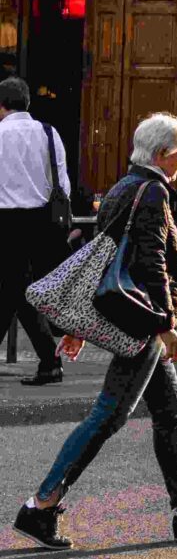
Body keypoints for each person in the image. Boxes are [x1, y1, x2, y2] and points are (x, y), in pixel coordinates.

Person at [13, 111, 177, 549]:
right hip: (143, 320)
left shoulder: (123, 187)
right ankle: (41, 505)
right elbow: (152, 263)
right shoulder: (152, 193)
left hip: (130, 315)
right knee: (108, 415)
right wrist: (166, 325)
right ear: (164, 155)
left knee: (170, 412)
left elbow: (103, 258)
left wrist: (83, 324)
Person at [0, 73, 74, 389]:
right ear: (27, 102)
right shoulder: (48, 131)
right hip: (43, 222)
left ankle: (50, 362)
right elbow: (62, 181)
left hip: (7, 220)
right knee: (16, 291)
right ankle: (49, 362)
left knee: (14, 290)